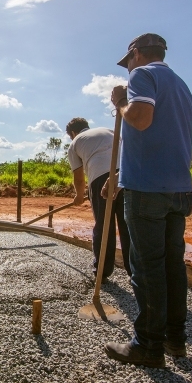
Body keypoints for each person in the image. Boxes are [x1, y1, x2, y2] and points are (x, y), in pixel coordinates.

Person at [103, 33, 192, 368]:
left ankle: (148, 346)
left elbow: (141, 119)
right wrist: (117, 175)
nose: (128, 67)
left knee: (147, 268)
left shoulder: (142, 75)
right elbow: (157, 137)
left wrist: (120, 102)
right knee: (173, 266)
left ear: (137, 54)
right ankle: (174, 338)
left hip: (147, 190)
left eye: (128, 61)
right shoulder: (181, 85)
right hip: (178, 189)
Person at [65, 117, 131, 283]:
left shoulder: (75, 143)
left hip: (100, 179)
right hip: (126, 176)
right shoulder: (108, 130)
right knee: (128, 225)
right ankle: (135, 272)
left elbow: (79, 178)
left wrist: (79, 196)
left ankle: (102, 272)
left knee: (104, 226)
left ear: (73, 133)